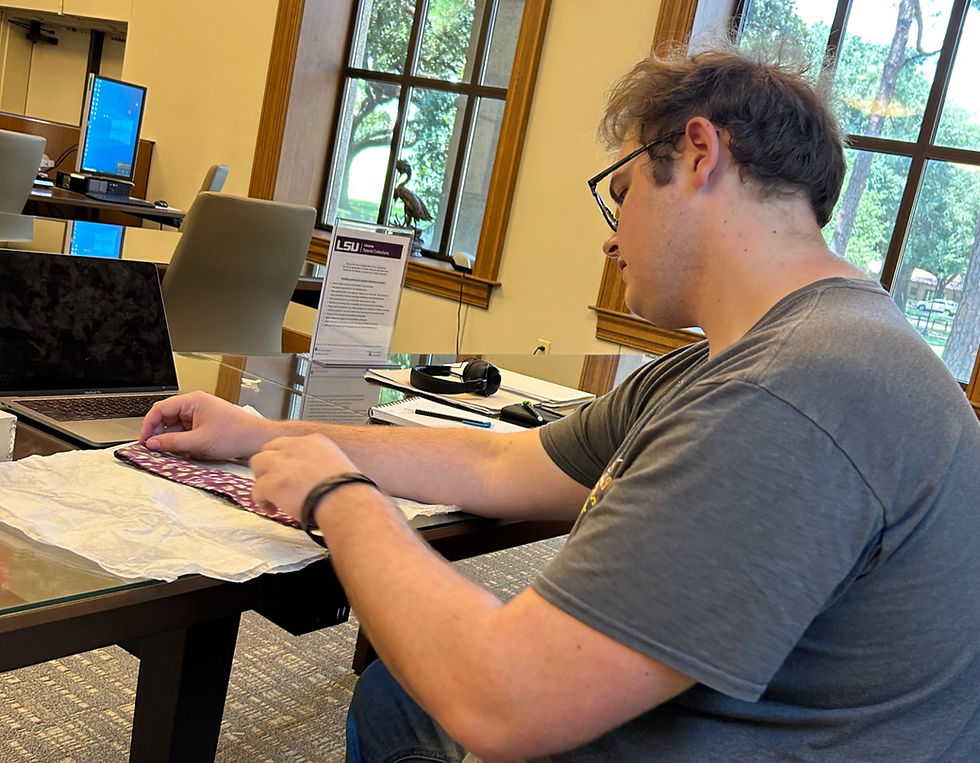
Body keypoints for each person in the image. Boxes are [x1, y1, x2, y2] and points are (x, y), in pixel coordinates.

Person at [140, 45, 980, 760]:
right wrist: (264, 434)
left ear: (697, 154)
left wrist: (337, 495)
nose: (610, 235)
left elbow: (502, 700)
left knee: (437, 686)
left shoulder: (788, 393)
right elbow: (507, 460)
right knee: (398, 694)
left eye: (619, 191)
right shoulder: (769, 353)